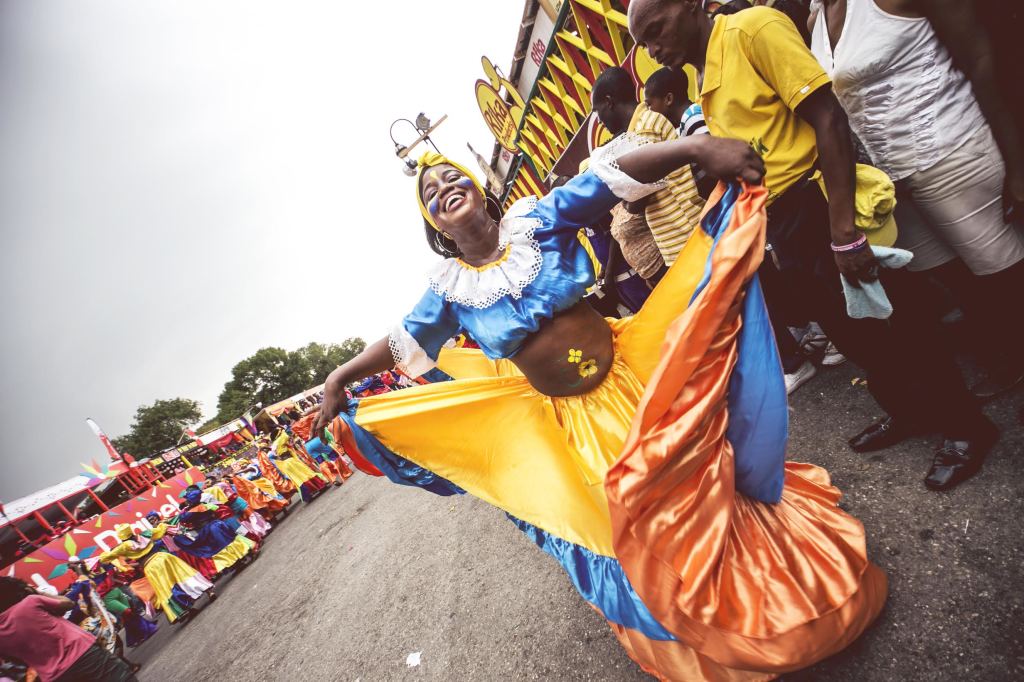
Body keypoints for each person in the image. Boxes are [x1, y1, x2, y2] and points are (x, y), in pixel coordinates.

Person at [307, 135, 885, 679]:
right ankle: (703, 634)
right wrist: (339, 375)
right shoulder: (449, 291)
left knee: (697, 484)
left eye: (450, 177)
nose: (442, 189)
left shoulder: (538, 221)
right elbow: (401, 340)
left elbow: (610, 179)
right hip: (578, 421)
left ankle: (772, 595)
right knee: (636, 519)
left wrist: (696, 147)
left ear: (478, 184)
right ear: (432, 223)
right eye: (429, 193)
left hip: (634, 380)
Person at [628, 0, 998, 490]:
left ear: (692, 5)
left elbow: (828, 117)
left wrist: (842, 226)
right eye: (645, 43)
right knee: (853, 333)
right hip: (785, 222)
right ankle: (911, 411)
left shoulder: (752, 31)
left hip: (819, 201)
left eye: (657, 30)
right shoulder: (705, 75)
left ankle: (967, 426)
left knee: (897, 319)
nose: (655, 49)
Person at [807, 0, 1024, 401]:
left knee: (1006, 275)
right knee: (958, 281)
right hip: (896, 180)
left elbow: (980, 58)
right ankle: (1009, 359)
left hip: (957, 152)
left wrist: (1018, 162)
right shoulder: (816, 16)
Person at [592, 66, 704, 269]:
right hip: (685, 239)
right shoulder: (641, 127)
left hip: (689, 238)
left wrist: (627, 198)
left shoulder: (643, 131)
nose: (599, 120)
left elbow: (636, 202)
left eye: (597, 111)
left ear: (609, 102)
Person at [0, 577, 138, 681]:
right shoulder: (30, 602)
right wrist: (38, 593)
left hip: (55, 676)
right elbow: (68, 604)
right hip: (85, 654)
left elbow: (14, 660)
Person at [98, 523, 215, 624]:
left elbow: (104, 558)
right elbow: (162, 529)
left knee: (166, 589)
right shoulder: (146, 534)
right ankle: (209, 592)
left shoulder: (122, 547)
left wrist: (109, 552)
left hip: (151, 567)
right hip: (164, 557)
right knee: (185, 574)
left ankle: (182, 611)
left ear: (121, 537)